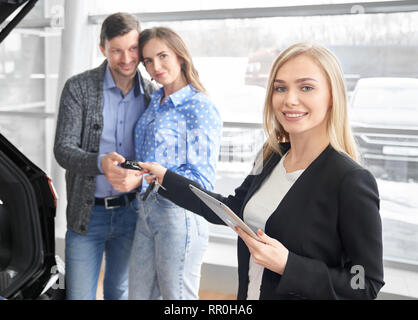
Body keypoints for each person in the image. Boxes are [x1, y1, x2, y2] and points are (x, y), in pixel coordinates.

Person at [137, 42, 385, 300]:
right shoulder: (271, 157)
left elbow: (364, 283)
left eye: (306, 87)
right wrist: (166, 178)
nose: (289, 99)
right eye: (280, 88)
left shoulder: (350, 180)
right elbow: (231, 210)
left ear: (332, 96)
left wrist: (288, 265)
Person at [110, 27, 222, 300]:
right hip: (147, 210)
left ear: (180, 56)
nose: (155, 66)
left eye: (163, 56)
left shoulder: (199, 107)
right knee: (138, 296)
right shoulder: (156, 102)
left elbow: (203, 180)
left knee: (177, 300)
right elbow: (153, 161)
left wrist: (153, 175)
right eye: (148, 60)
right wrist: (127, 166)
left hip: (178, 214)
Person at [53, 13, 157, 300]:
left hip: (132, 214)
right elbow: (63, 149)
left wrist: (135, 175)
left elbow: (150, 160)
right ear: (103, 49)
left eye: (133, 48)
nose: (126, 58)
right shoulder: (78, 88)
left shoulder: (153, 96)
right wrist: (100, 164)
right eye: (116, 50)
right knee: (78, 295)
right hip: (88, 215)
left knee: (119, 292)